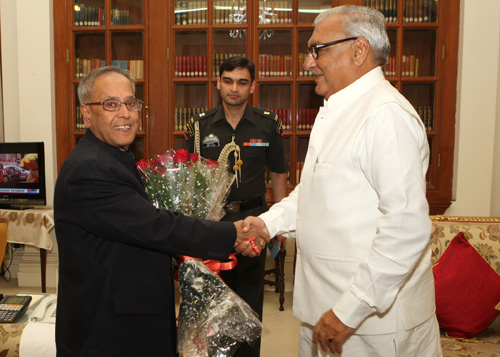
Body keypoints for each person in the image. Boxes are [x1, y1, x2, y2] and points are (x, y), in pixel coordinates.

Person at [243, 5, 442, 357]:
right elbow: (314, 191)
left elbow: (406, 228)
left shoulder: (385, 116)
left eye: (317, 50)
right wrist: (266, 223)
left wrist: (349, 310)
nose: (308, 63)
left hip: (369, 323)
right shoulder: (338, 108)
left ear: (359, 49)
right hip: (326, 310)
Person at [54, 66, 268, 357]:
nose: (125, 113)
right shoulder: (89, 169)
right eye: (111, 104)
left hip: (130, 316)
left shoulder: (112, 157)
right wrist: (233, 233)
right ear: (86, 114)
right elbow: (155, 226)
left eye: (131, 103)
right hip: (109, 330)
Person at [184, 56, 288, 356]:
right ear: (218, 83)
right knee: (213, 301)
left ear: (252, 86)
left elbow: (279, 173)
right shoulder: (201, 126)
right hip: (214, 223)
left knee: (250, 302)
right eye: (228, 81)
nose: (234, 88)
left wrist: (277, 224)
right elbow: (191, 177)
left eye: (242, 82)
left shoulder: (267, 124)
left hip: (254, 221)